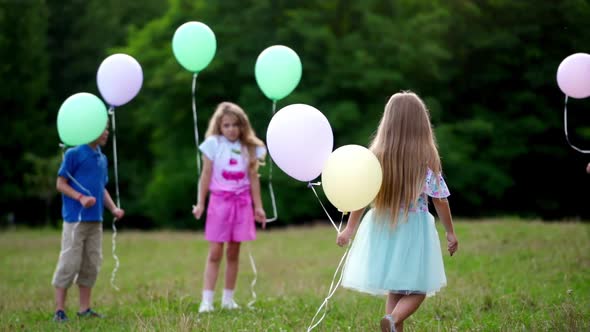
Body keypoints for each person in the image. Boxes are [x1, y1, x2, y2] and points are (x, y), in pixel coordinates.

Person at [336, 92, 459, 332]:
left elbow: (362, 195)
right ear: (421, 123)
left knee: (395, 287)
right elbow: (440, 200)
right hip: (414, 228)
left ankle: (391, 322)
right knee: (419, 289)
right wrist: (450, 232)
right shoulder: (426, 157)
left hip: (383, 225)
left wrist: (350, 229)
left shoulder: (377, 155)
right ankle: (392, 320)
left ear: (387, 121)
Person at [192, 102, 267, 313]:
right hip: (219, 203)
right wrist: (200, 202)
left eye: (235, 125)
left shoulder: (249, 148)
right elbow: (205, 175)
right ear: (219, 126)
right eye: (226, 125)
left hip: (242, 204)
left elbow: (254, 178)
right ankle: (206, 300)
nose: (231, 129)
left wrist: (258, 207)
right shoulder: (213, 144)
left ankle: (228, 298)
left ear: (242, 126)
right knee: (215, 252)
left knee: (234, 252)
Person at [52, 123, 124, 322]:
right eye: (103, 128)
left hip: (96, 221)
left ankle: (84, 309)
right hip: (75, 221)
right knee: (69, 262)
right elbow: (60, 184)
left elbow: (101, 188)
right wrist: (80, 197)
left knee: (91, 264)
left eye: (108, 128)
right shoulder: (73, 154)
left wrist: (113, 208)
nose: (107, 132)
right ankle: (59, 310)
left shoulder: (101, 158)